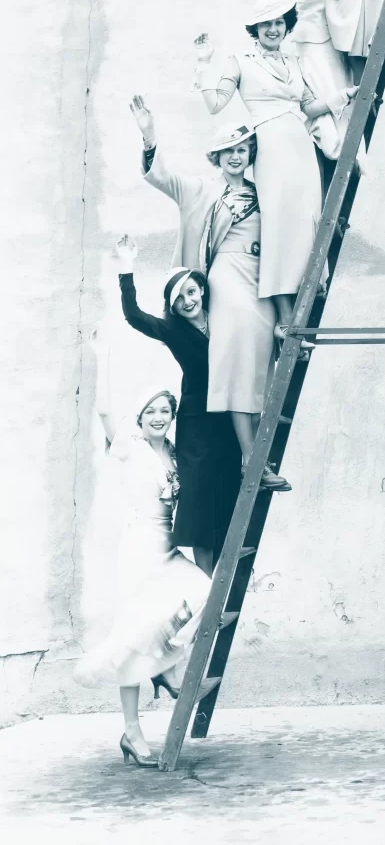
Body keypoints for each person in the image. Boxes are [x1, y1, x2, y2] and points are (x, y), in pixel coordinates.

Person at [129, 95, 282, 493]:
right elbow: (163, 178)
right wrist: (149, 139)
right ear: (216, 157)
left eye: (242, 149)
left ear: (250, 154)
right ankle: (252, 457)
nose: (236, 156)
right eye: (227, 150)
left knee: (259, 368)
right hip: (226, 284)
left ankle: (252, 455)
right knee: (236, 368)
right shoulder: (200, 191)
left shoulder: (264, 191)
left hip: (260, 281)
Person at [74, 329, 211, 767]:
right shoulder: (128, 448)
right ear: (140, 416)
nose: (158, 416)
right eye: (151, 410)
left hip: (168, 546)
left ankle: (169, 667)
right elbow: (104, 409)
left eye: (165, 410)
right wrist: (104, 353)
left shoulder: (172, 449)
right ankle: (132, 731)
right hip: (138, 548)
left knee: (205, 590)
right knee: (132, 638)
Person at [194, 0, 357, 337]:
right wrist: (204, 63)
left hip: (300, 146)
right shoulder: (240, 60)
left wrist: (341, 97)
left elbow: (310, 106)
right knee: (279, 228)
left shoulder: (295, 62)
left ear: (286, 26)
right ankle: (284, 318)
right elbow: (214, 104)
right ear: (255, 29)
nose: (273, 28)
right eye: (266, 23)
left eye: (279, 22)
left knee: (307, 221)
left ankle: (308, 300)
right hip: (270, 147)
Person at [115, 233, 288, 505]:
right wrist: (126, 265)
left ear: (202, 290)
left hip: (231, 413)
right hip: (199, 420)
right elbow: (134, 316)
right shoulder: (173, 329)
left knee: (227, 496)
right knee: (200, 501)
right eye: (179, 299)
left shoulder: (222, 313)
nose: (187, 302)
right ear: (173, 306)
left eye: (191, 292)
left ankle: (254, 471)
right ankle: (253, 469)